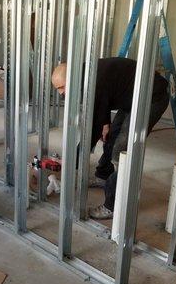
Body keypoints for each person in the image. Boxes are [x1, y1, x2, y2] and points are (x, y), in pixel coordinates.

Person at [51, 57, 169, 220]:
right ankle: (103, 175)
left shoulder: (94, 82)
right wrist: (105, 124)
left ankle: (112, 206)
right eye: (57, 89)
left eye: (62, 87)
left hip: (150, 98)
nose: (61, 93)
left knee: (122, 149)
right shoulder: (86, 75)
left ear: (72, 77)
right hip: (130, 96)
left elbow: (92, 128)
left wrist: (73, 161)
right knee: (112, 135)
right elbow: (101, 104)